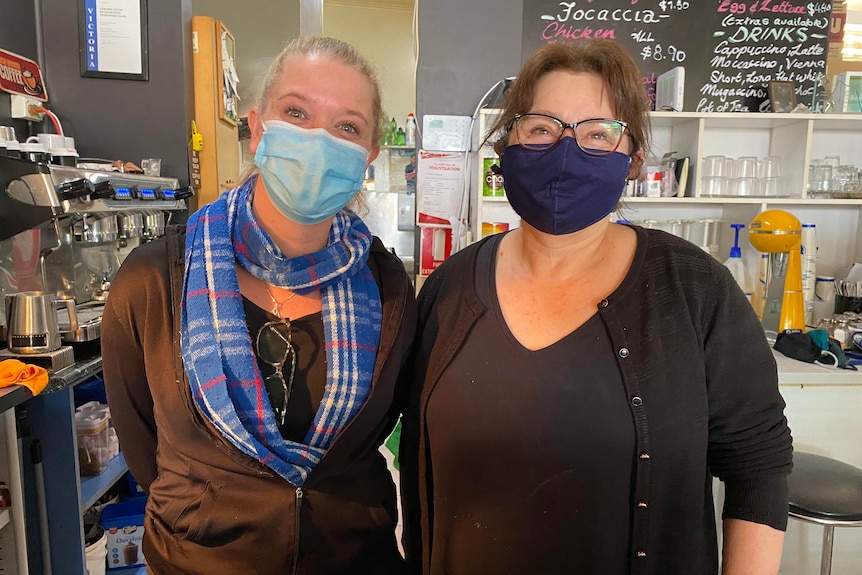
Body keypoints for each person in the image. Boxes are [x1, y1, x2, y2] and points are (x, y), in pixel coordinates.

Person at [400, 39, 792, 575]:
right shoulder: (447, 289)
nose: (566, 150)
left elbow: (758, 463)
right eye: (541, 127)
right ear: (505, 146)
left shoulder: (695, 289)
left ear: (632, 161)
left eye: (596, 134)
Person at [102, 36, 416, 574]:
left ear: (368, 157)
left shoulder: (387, 288)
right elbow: (142, 443)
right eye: (296, 111)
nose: (319, 140)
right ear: (257, 127)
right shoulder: (154, 281)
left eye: (346, 127)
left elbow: (377, 435)